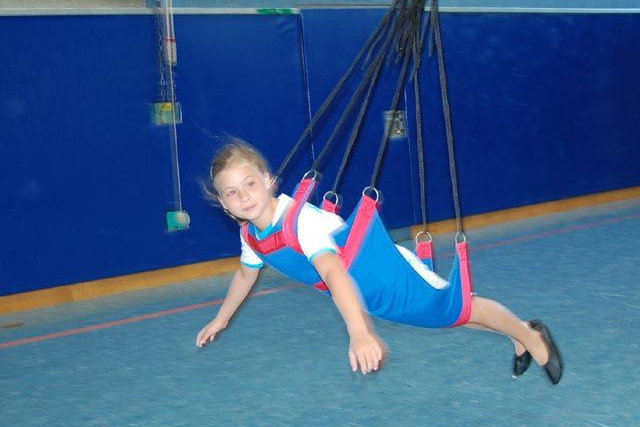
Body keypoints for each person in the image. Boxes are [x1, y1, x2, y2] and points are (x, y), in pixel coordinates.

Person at [196, 139, 563, 384]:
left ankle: (531, 336)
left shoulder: (299, 221)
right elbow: (245, 274)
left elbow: (333, 272)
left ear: (268, 180)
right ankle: (520, 332)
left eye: (250, 184)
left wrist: (360, 333)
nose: (244, 196)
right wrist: (222, 318)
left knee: (459, 308)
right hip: (365, 295)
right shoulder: (251, 236)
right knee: (446, 318)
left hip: (388, 276)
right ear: (223, 204)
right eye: (232, 192)